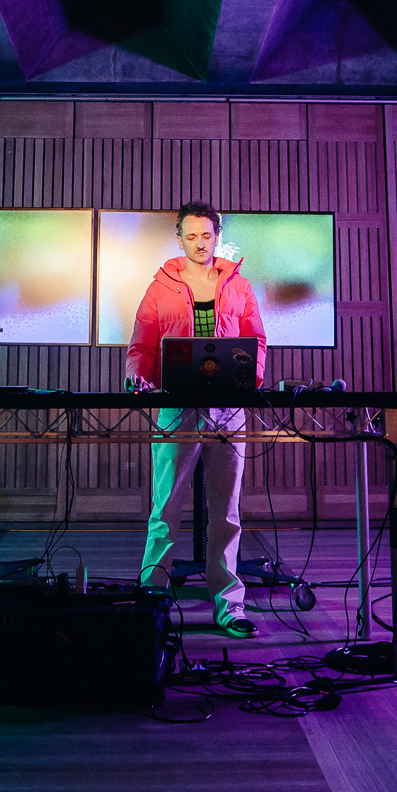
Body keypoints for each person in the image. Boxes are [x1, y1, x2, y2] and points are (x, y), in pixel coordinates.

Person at [125, 201, 266, 638]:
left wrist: (251, 378)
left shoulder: (239, 285)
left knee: (226, 513)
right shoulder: (159, 288)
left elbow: (256, 340)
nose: (199, 243)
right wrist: (136, 379)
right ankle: (152, 602)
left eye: (206, 235)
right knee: (165, 509)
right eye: (191, 236)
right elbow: (141, 346)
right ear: (180, 238)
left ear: (217, 236)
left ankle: (229, 605)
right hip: (176, 408)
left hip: (229, 411)